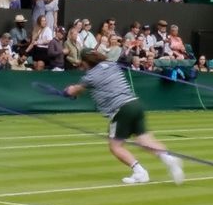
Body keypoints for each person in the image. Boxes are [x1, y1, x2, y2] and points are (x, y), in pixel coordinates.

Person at [64, 50, 185, 184]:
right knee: (144, 140)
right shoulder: (112, 65)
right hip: (135, 104)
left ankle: (140, 172)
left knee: (115, 146)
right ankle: (169, 159)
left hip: (121, 109)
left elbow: (75, 90)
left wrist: (68, 91)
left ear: (86, 62)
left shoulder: (90, 76)